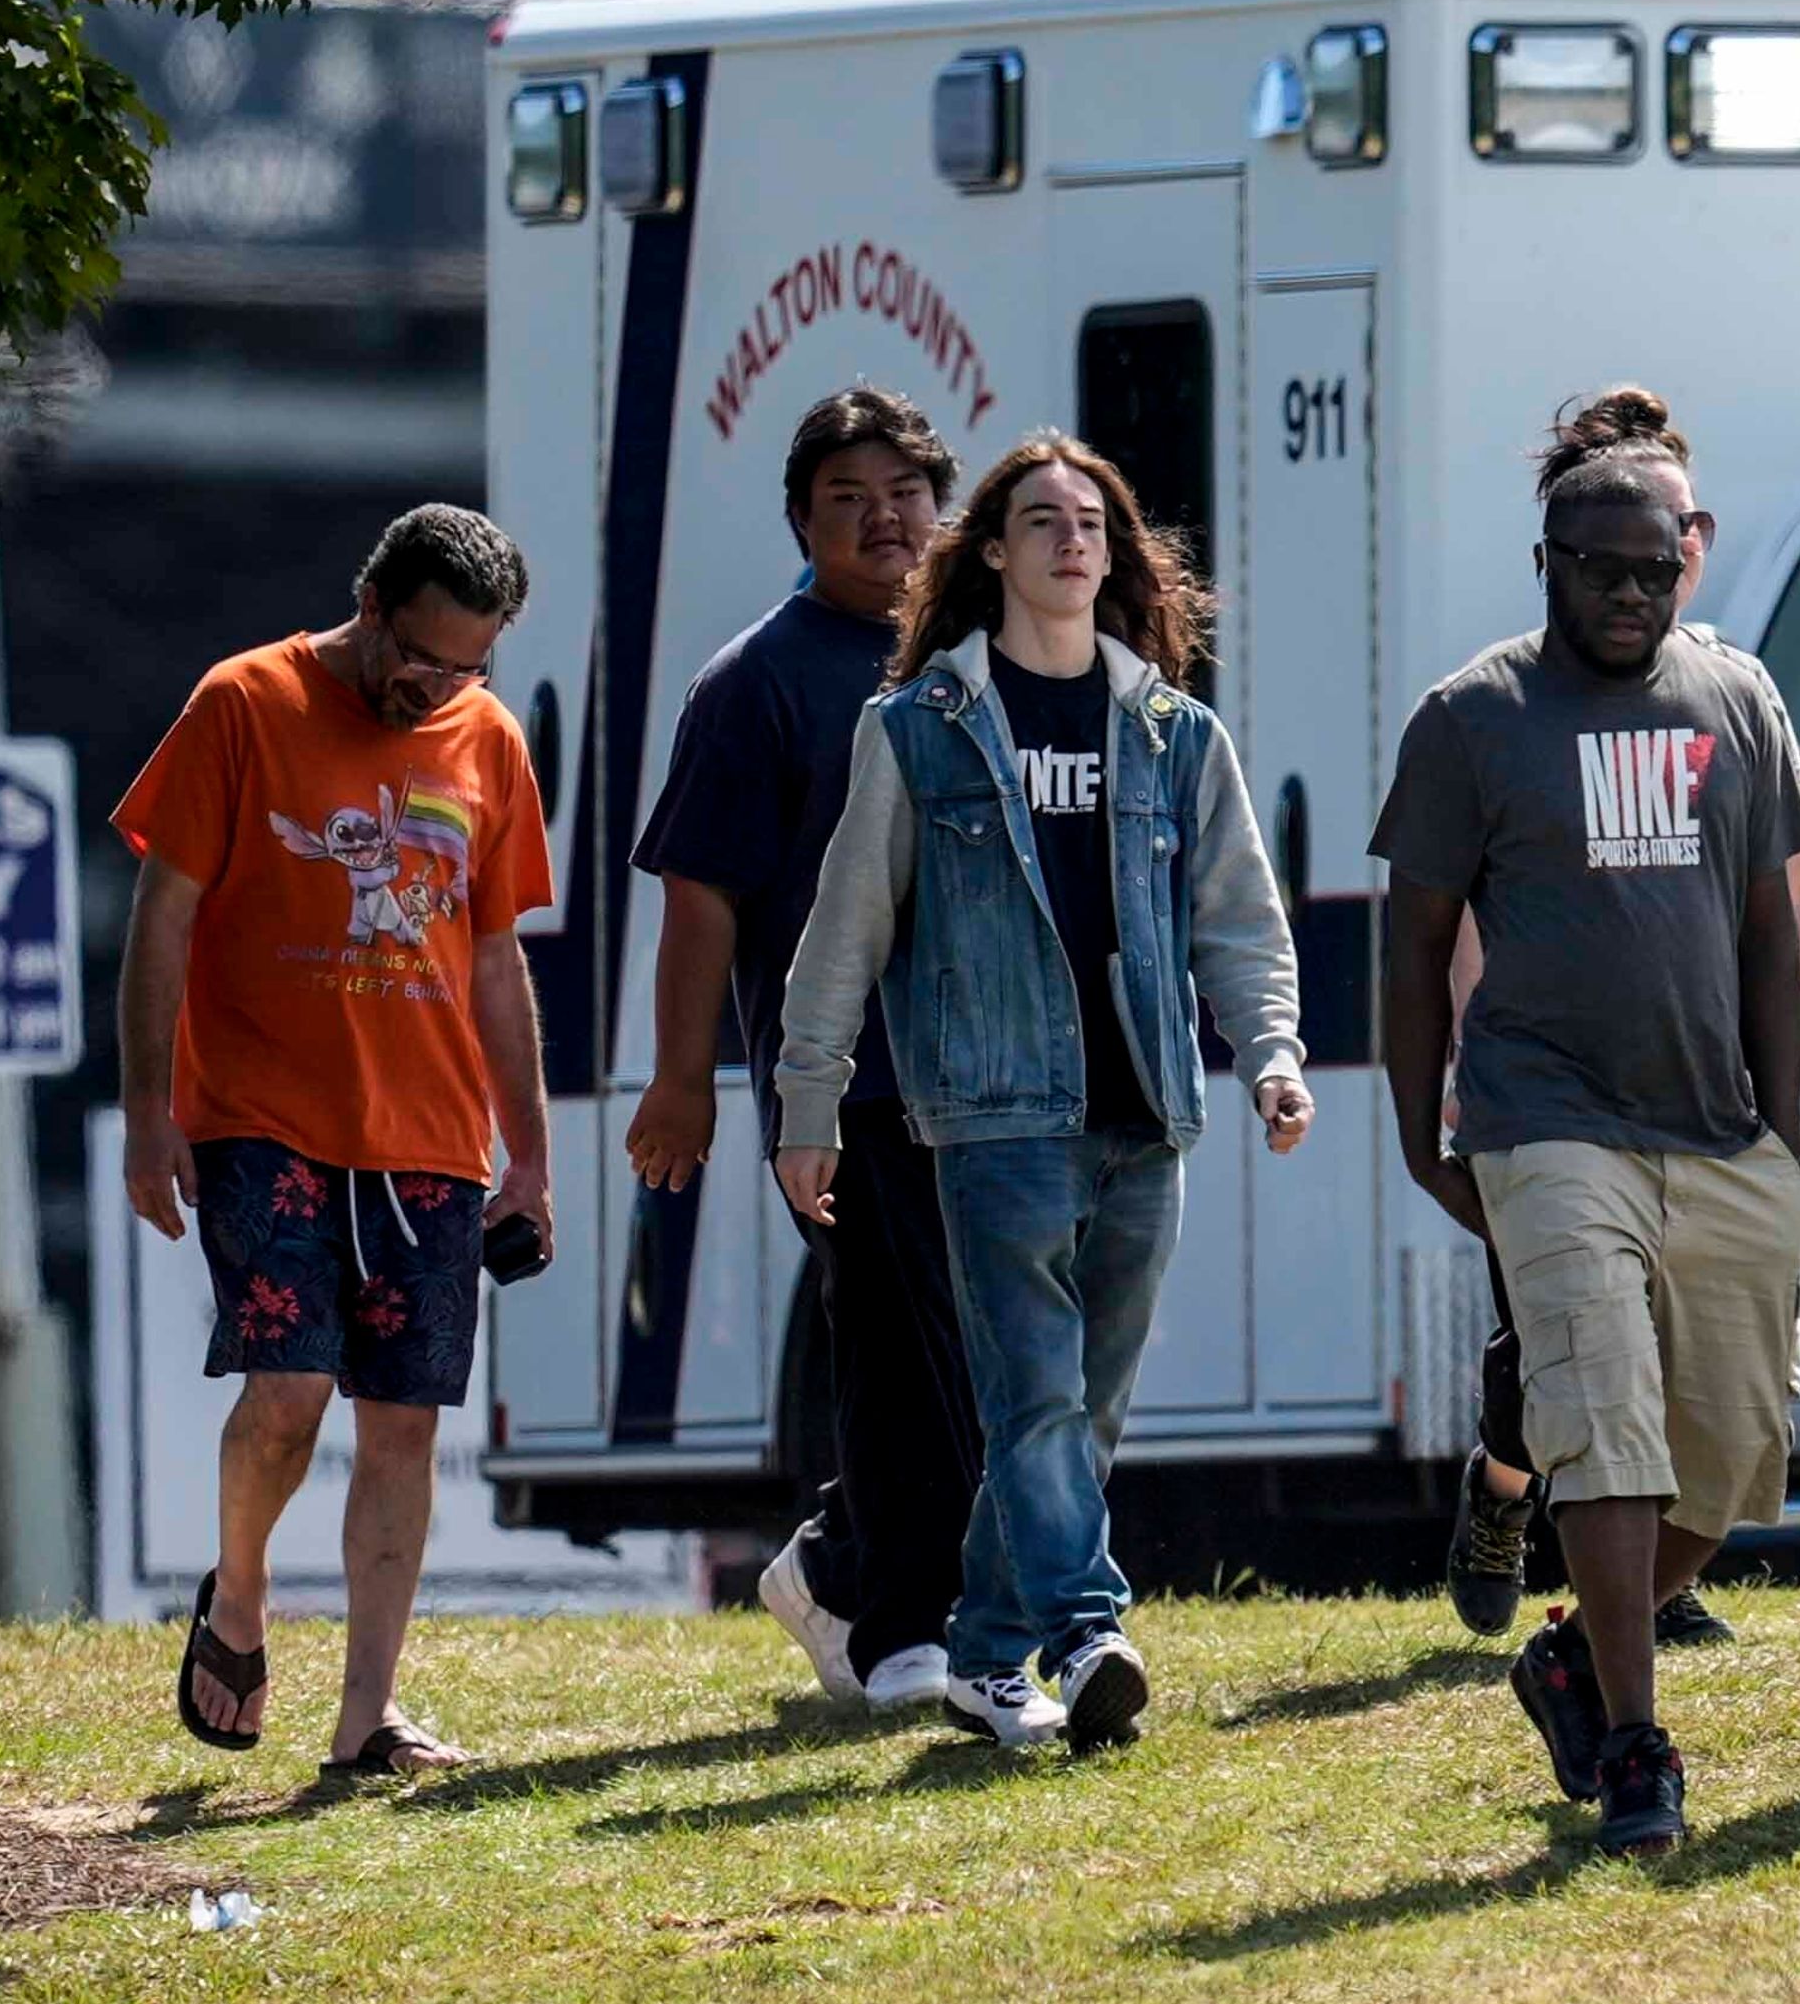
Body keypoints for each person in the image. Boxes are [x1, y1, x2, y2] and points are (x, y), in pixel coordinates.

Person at [773, 435, 1310, 1756]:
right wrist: (808, 1101)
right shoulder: (921, 732)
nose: (1073, 540)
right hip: (995, 1113)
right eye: (1042, 520)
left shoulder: (1178, 736)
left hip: (1145, 1113)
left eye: (1093, 522)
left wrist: (1275, 1053)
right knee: (1035, 1401)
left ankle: (982, 1659)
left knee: (1092, 1404)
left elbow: (1237, 915)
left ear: (1117, 558)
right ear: (995, 554)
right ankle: (1086, 1629)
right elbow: (847, 927)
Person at [1376, 447, 1800, 1857]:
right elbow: (1414, 946)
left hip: (1719, 1125)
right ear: (1548, 565)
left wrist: (1786, 1120)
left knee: (1739, 1455)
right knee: (1605, 1424)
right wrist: (1419, 1131)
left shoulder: (1737, 697)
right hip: (1546, 1119)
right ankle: (1635, 1744)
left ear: (1688, 559)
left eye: (1656, 569)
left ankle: (1570, 1658)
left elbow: (1767, 926)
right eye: (1601, 569)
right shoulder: (1473, 718)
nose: (1632, 594)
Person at [121, 505, 556, 1778]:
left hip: (428, 1134)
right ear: (370, 608)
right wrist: (150, 1113)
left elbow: (491, 959)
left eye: (465, 667)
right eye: (419, 658)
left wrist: (525, 1152)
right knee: (290, 1391)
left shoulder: (488, 739)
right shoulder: (242, 703)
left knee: (405, 1421)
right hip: (261, 1114)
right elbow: (162, 919)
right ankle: (241, 1600)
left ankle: (368, 1715)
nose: (436, 687)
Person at [1440, 389, 1800, 1646]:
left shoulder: (1731, 691)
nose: (1653, 558)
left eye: (1674, 529)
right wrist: (1475, 1066)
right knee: (1559, 1361)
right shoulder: (1515, 704)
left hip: (1701, 1100)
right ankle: (1502, 1493)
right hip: (1550, 1096)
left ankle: (1630, 1600)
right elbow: (1469, 915)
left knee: (1691, 1363)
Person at [630, 389, 970, 1716]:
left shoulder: (988, 655)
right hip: (849, 1081)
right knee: (898, 1354)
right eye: (848, 499)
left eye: (904, 493)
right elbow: (701, 898)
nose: (883, 520)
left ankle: (834, 1560)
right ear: (802, 523)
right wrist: (683, 1080)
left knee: (992, 1358)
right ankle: (896, 1625)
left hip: (998, 1079)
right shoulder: (757, 680)